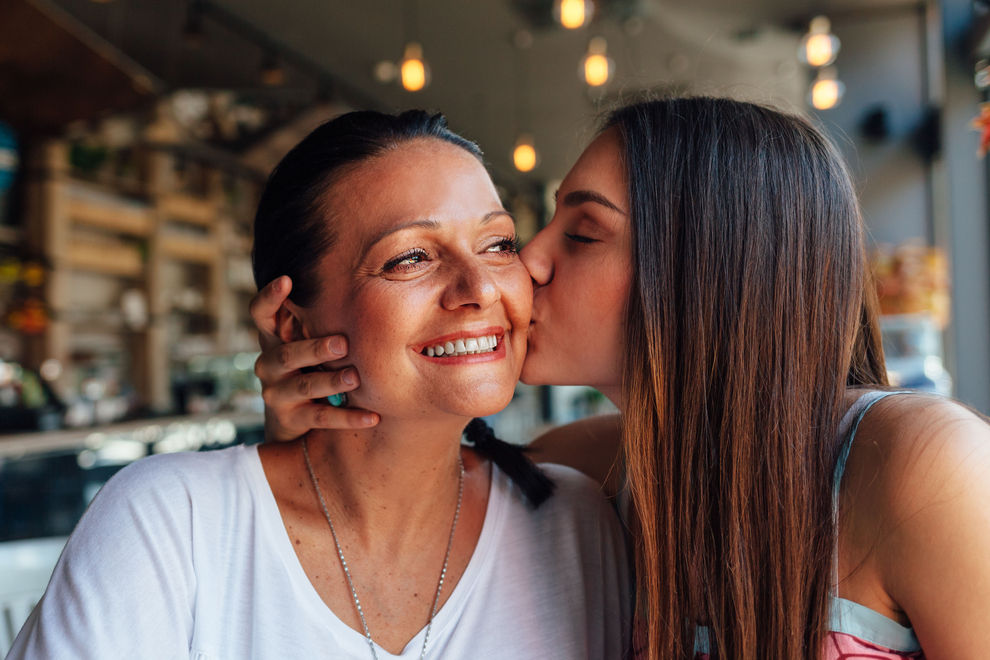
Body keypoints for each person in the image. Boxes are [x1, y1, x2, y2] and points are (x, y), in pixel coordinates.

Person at [250, 97, 990, 659]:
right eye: (526, 234)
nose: (526, 264)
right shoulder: (581, 473)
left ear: (708, 270)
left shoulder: (923, 467)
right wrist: (311, 425)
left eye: (581, 234)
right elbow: (388, 502)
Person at [9, 110, 631, 659]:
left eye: (497, 244)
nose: (480, 289)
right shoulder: (175, 524)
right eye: (410, 257)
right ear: (292, 322)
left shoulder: (576, 523)